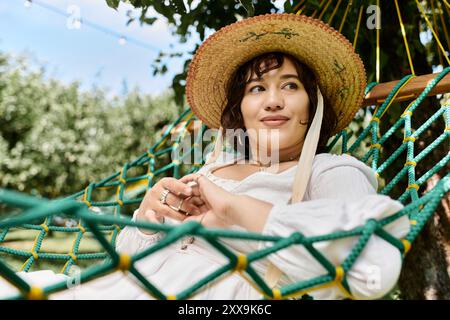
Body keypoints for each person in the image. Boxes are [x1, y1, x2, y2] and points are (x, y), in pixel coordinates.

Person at [0, 13, 409, 300]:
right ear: (241, 112)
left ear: (312, 106)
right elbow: (126, 261)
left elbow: (372, 266)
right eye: (256, 90)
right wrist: (147, 219)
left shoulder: (331, 170)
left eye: (289, 86)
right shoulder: (209, 168)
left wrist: (231, 206)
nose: (272, 101)